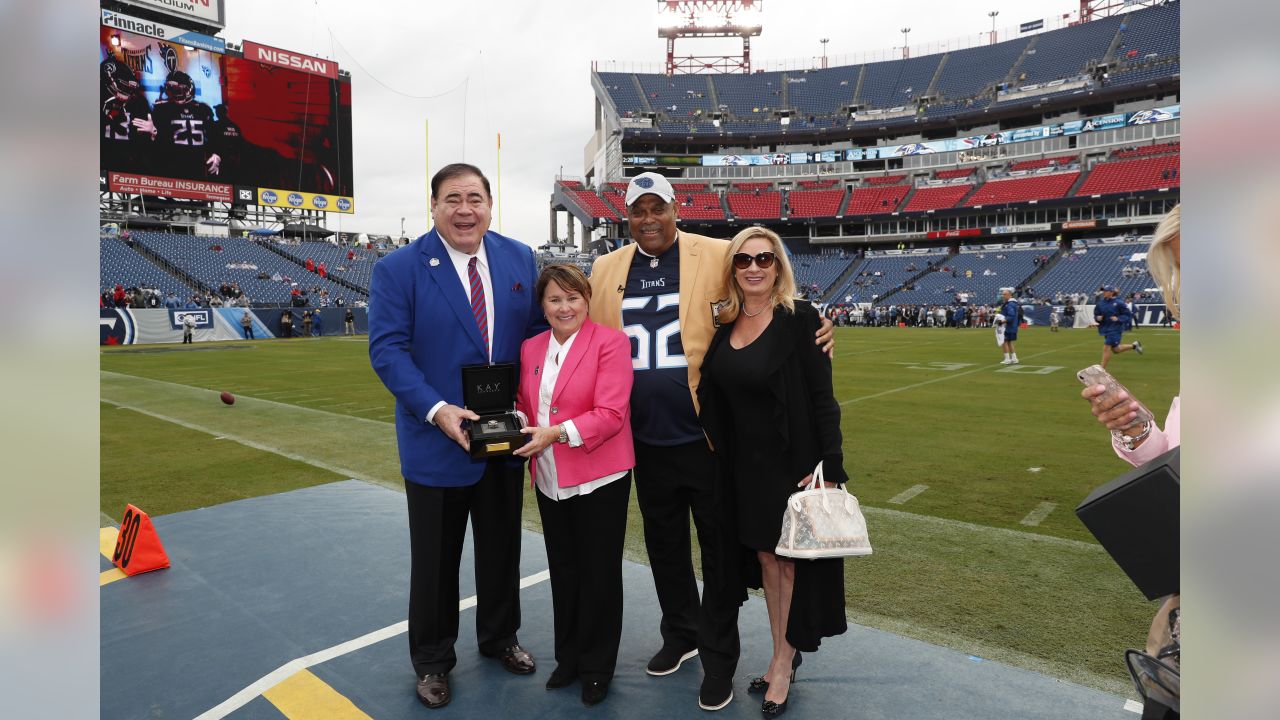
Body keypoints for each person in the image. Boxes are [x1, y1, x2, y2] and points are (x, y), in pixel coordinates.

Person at [587, 172, 833, 711]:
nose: (649, 219)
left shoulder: (719, 253)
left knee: (719, 555)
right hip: (643, 436)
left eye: (658, 208)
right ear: (626, 216)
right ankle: (681, 633)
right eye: (638, 211)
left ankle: (720, 658)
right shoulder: (606, 268)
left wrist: (818, 322)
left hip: (708, 437)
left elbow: (768, 282)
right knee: (665, 545)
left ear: (677, 209)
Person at [368, 163, 543, 710]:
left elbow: (537, 338)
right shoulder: (399, 268)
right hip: (437, 441)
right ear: (434, 207)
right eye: (452, 199)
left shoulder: (519, 257)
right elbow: (388, 351)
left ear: (491, 203)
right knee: (436, 563)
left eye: (474, 198)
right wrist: (439, 410)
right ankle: (433, 661)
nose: (464, 209)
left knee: (501, 551)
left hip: (503, 438)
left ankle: (499, 638)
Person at [697, 227, 848, 719]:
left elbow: (824, 399)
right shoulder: (726, 323)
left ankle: (783, 660)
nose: (755, 267)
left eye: (765, 258)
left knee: (787, 562)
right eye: (744, 260)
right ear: (733, 270)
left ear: (779, 266)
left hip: (792, 464)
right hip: (744, 468)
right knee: (766, 560)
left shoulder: (801, 320)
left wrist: (831, 466)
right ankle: (782, 649)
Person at [512, 265, 634, 707]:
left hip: (599, 476)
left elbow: (612, 412)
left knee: (598, 575)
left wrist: (556, 433)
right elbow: (526, 407)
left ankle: (598, 668)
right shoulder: (530, 348)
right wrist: (515, 424)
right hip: (549, 477)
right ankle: (569, 659)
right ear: (542, 307)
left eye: (572, 298)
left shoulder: (611, 342)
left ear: (587, 300)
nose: (564, 307)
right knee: (564, 572)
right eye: (554, 300)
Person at [1093, 285, 1143, 369]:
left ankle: (1102, 369)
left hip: (1115, 329)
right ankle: (1134, 346)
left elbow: (1128, 315)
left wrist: (1118, 318)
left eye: (1106, 291)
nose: (1104, 292)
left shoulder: (1119, 303)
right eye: (1104, 291)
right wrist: (1098, 318)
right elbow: (1096, 314)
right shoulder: (1100, 304)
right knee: (1116, 350)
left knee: (1106, 347)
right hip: (1105, 328)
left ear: (1112, 292)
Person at [999, 289, 1020, 365]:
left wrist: (1002, 321)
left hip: (1008, 326)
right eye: (1003, 294)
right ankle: (1014, 358)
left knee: (1004, 341)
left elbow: (1011, 316)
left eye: (1004, 294)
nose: (1003, 296)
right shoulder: (1012, 303)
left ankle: (1007, 359)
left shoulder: (1010, 304)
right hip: (1012, 326)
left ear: (1009, 295)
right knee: (1009, 342)